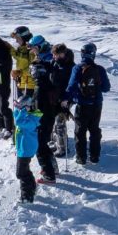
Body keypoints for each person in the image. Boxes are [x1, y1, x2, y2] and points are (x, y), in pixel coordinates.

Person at [69, 42, 112, 166]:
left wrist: (68, 98)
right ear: (94, 54)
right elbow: (106, 88)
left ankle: (81, 158)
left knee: (80, 131)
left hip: (82, 104)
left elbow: (71, 86)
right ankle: (94, 156)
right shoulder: (100, 69)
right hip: (97, 104)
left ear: (82, 53)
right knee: (94, 130)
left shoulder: (77, 68)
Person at [32, 38, 64, 186]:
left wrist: (32, 116)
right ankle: (52, 169)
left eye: (34, 72)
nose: (32, 74)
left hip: (42, 118)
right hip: (50, 115)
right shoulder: (49, 84)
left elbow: (38, 109)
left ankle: (49, 174)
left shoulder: (40, 89)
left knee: (39, 145)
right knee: (44, 143)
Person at [11, 86, 42, 202]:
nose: (17, 110)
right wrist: (20, 108)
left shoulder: (30, 121)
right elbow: (17, 117)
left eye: (19, 108)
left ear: (26, 108)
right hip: (23, 148)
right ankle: (32, 188)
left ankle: (27, 197)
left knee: (21, 173)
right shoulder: (27, 117)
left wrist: (22, 110)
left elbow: (18, 121)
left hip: (26, 149)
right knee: (25, 171)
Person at [50, 43, 77, 158]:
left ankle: (62, 148)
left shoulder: (70, 66)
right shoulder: (56, 63)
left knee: (59, 122)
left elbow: (71, 85)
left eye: (56, 55)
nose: (54, 57)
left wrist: (66, 99)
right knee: (54, 122)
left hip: (65, 99)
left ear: (62, 54)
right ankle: (56, 143)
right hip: (55, 97)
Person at [8, 24, 38, 94]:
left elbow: (35, 70)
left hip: (31, 86)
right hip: (21, 83)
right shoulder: (21, 49)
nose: (16, 41)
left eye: (18, 39)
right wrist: (8, 47)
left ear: (24, 38)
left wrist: (19, 72)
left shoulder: (32, 51)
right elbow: (16, 55)